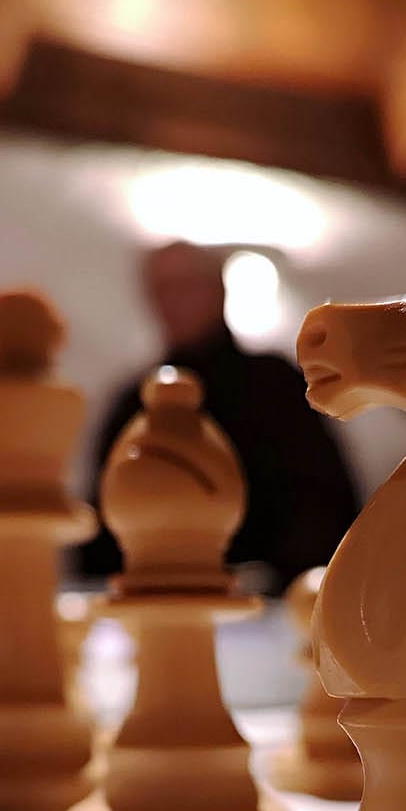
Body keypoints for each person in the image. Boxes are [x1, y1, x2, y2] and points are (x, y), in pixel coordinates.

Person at [80, 241, 359, 591]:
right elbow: (105, 515)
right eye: (160, 289)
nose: (170, 301)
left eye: (184, 285)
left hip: (270, 598)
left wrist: (276, 579)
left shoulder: (273, 384)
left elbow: (322, 501)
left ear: (219, 290)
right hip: (155, 598)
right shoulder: (131, 402)